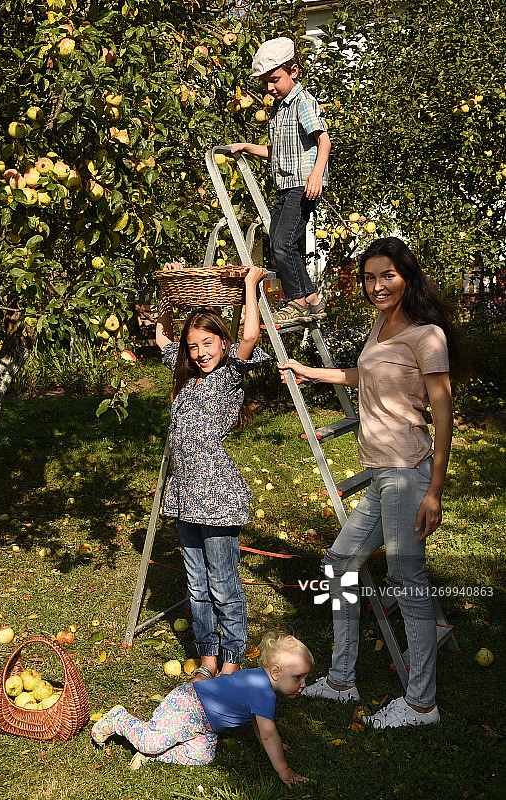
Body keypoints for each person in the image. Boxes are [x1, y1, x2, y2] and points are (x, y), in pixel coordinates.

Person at [279, 237, 460, 728]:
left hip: (408, 473)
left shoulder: (427, 336)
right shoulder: (381, 324)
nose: (377, 286)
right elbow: (365, 375)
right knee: (338, 565)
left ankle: (422, 703)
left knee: (407, 583)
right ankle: (342, 680)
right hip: (383, 476)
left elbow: (443, 416)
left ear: (407, 277)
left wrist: (435, 490)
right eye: (369, 277)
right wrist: (308, 370)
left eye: (387, 276)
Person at [155, 266, 270, 682]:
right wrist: (166, 297)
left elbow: (251, 337)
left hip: (216, 492)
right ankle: (206, 656)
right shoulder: (185, 373)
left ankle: (233, 656)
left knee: (222, 582)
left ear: (222, 341)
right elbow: (162, 337)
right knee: (197, 583)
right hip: (186, 492)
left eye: (208, 342)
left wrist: (250, 287)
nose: (200, 352)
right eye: (194, 346)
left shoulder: (227, 375)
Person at [91, 631, 312, 786]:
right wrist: (283, 769)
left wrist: (275, 743)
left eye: (305, 678)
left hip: (204, 725)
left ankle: (154, 754)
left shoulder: (258, 682)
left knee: (202, 756)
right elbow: (267, 733)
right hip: (188, 706)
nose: (303, 684)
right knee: (151, 740)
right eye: (298, 677)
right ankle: (118, 719)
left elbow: (259, 723)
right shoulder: (263, 692)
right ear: (275, 672)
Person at [230, 37, 330, 326]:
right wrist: (248, 147)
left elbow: (323, 141)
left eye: (275, 80)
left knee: (282, 243)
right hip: (284, 185)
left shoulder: (302, 102)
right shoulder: (278, 108)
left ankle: (298, 300)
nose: (270, 88)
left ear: (294, 72)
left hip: (302, 184)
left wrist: (316, 175)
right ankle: (311, 299)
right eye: (265, 83)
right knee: (279, 242)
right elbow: (277, 151)